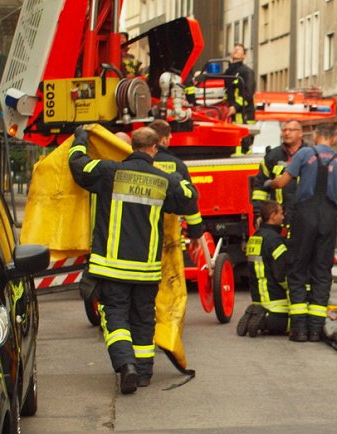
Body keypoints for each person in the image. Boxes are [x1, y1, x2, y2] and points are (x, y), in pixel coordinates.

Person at [69, 126, 203, 394]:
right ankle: (143, 374)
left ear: (131, 146)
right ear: (154, 148)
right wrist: (178, 177)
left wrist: (80, 138)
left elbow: (78, 165)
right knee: (143, 319)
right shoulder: (163, 180)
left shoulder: (109, 171)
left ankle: (126, 365)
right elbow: (190, 200)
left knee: (115, 317)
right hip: (146, 270)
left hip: (111, 267)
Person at [269, 122, 337, 343]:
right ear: (334, 139)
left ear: (315, 136)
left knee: (297, 269)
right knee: (322, 272)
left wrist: (270, 183)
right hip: (328, 218)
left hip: (304, 217)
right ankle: (316, 330)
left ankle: (299, 330)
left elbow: (283, 182)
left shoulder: (304, 154)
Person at [236, 200, 290, 337]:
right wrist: (293, 288)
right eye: (281, 214)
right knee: (294, 323)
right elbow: (281, 274)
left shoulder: (255, 238)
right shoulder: (275, 240)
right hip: (275, 301)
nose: (283, 217)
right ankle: (263, 322)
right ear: (273, 215)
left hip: (258, 299)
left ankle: (255, 313)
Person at [250, 119, 305, 227]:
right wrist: (258, 214)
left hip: (304, 218)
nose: (287, 133)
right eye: (284, 130)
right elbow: (260, 187)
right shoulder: (272, 156)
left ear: (300, 133)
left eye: (291, 130)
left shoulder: (310, 155)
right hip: (278, 218)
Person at [224, 43, 256, 153]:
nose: (236, 50)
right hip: (230, 114)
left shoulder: (246, 72)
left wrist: (235, 107)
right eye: (235, 49)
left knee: (244, 144)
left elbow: (248, 93)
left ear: (244, 56)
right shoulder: (228, 72)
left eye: (239, 50)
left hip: (244, 114)